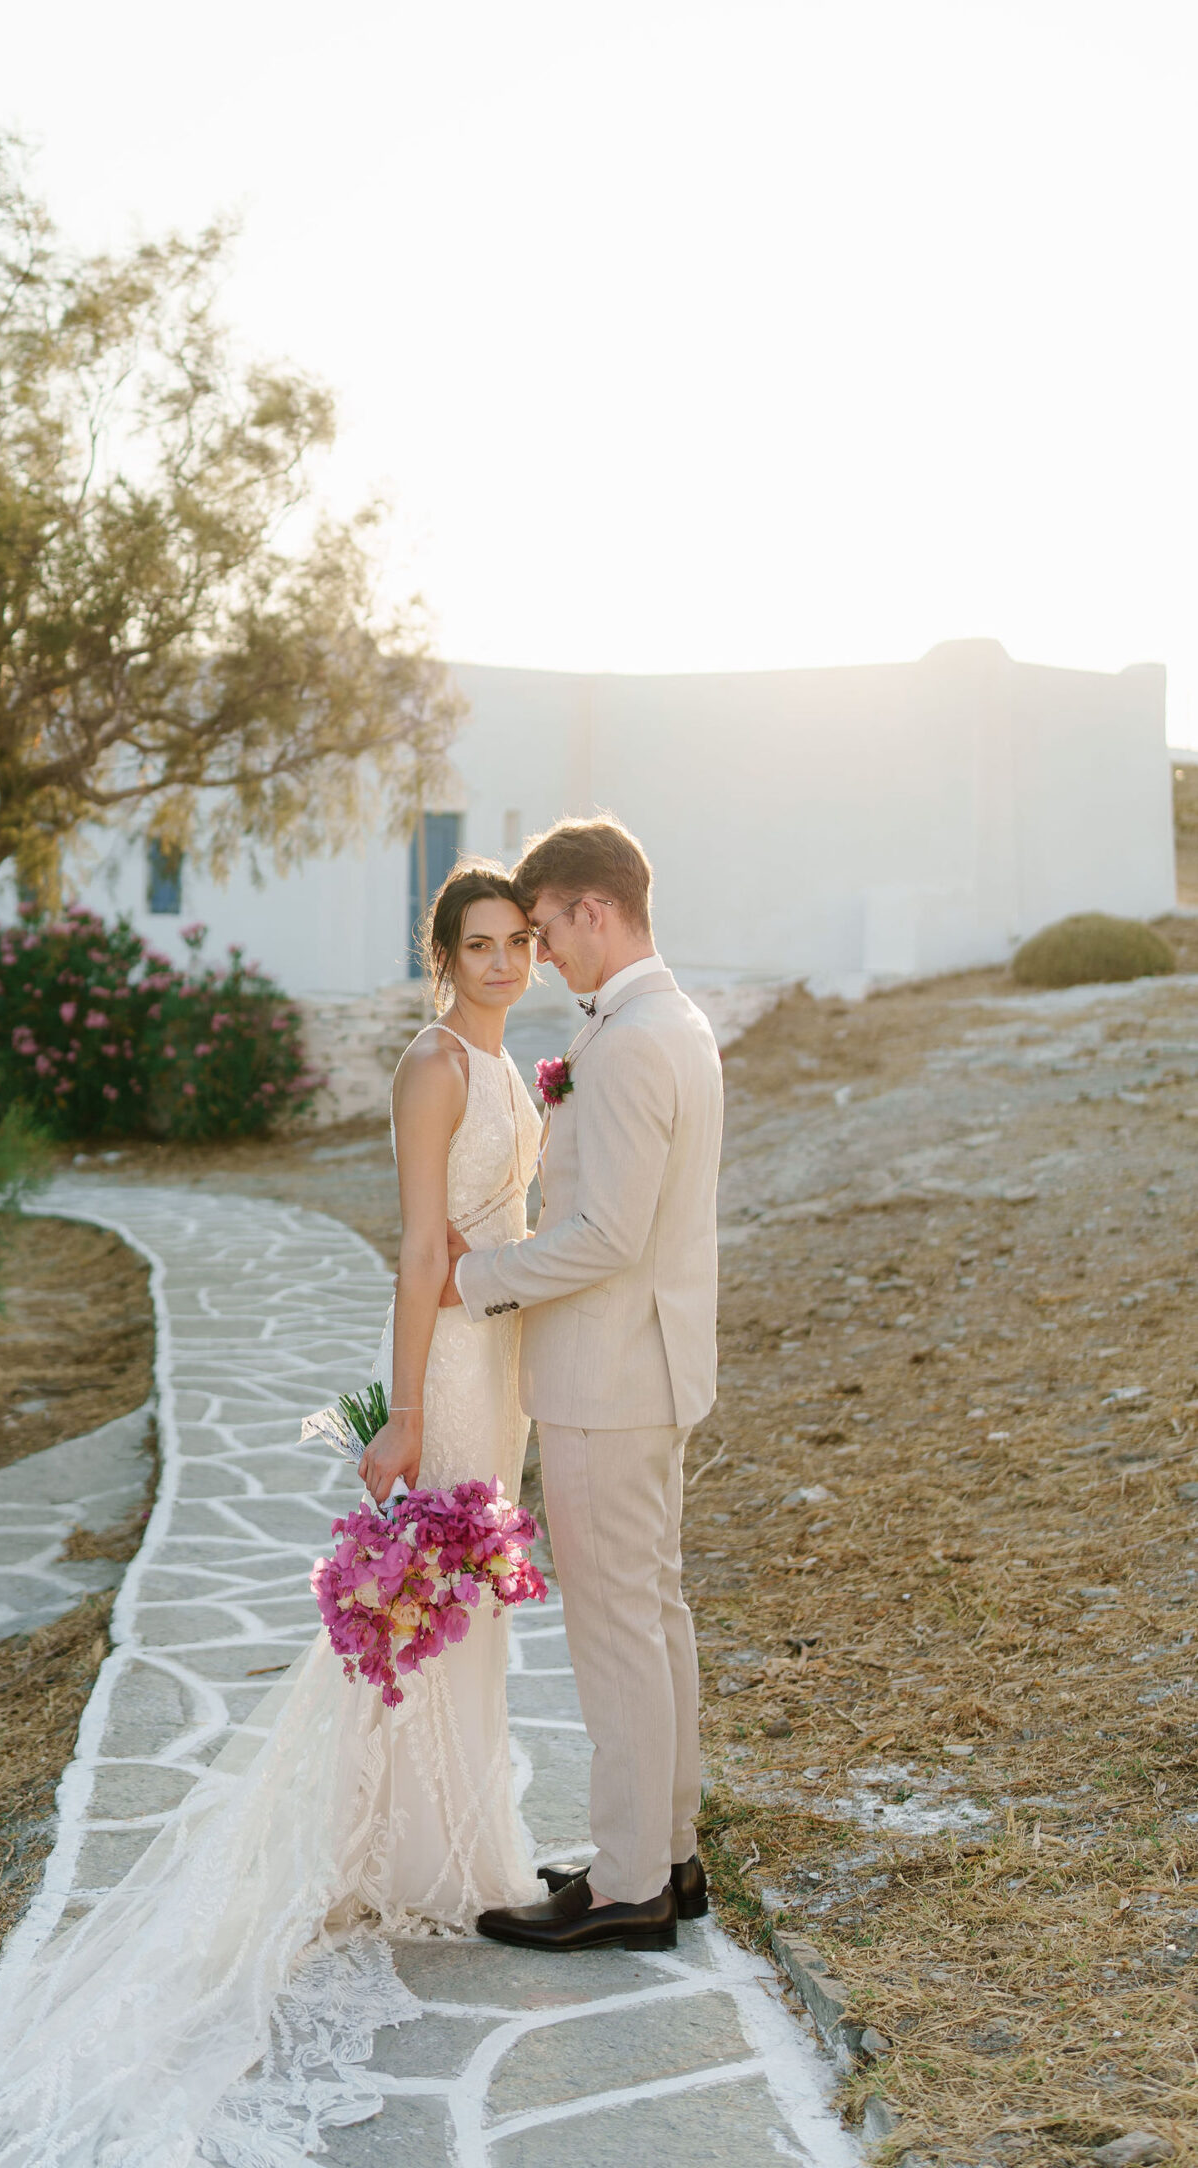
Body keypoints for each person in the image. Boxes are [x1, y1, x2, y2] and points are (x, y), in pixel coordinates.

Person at [0, 862, 545, 2166]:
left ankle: (446, 1846)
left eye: (515, 944)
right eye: (477, 945)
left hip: (498, 1366)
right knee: (411, 1612)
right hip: (444, 1363)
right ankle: (405, 1853)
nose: (499, 963)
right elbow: (421, 1247)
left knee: (459, 1608)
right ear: (440, 956)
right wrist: (406, 1415)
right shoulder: (431, 1067)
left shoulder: (507, 1065)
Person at [447, 815, 724, 1955]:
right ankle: (667, 1853)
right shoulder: (674, 1020)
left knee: (617, 1630)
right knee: (651, 1617)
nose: (543, 952)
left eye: (550, 928)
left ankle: (625, 1889)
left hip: (608, 1376)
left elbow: (607, 1234)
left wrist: (484, 1279)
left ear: (594, 908)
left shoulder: (630, 1043)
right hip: (648, 1365)